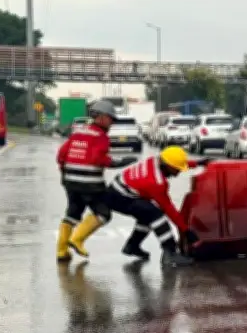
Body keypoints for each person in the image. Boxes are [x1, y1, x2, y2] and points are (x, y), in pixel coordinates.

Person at [56, 100, 136, 262]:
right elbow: (98, 158)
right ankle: (77, 239)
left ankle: (62, 252)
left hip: (70, 182)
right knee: (103, 214)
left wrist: (66, 174)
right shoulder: (101, 137)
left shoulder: (79, 132)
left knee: (72, 214)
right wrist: (120, 162)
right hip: (91, 185)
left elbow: (61, 154)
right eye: (111, 118)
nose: (112, 122)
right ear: (101, 118)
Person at [106, 146, 210, 268]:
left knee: (146, 214)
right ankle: (170, 253)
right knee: (156, 215)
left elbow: (174, 162)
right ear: (168, 166)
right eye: (177, 169)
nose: (179, 172)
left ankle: (132, 246)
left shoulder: (155, 161)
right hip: (120, 197)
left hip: (118, 189)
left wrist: (197, 163)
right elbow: (169, 208)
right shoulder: (156, 183)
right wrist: (185, 230)